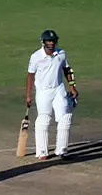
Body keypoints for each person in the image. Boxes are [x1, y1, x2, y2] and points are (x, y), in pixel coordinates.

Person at [25, 29, 78, 160]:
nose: (51, 43)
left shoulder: (61, 53)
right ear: (43, 42)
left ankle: (62, 150)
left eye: (53, 41)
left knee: (65, 118)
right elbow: (30, 76)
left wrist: (72, 87)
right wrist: (29, 95)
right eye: (49, 41)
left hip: (58, 89)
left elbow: (67, 69)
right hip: (43, 91)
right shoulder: (36, 56)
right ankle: (42, 152)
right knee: (44, 119)